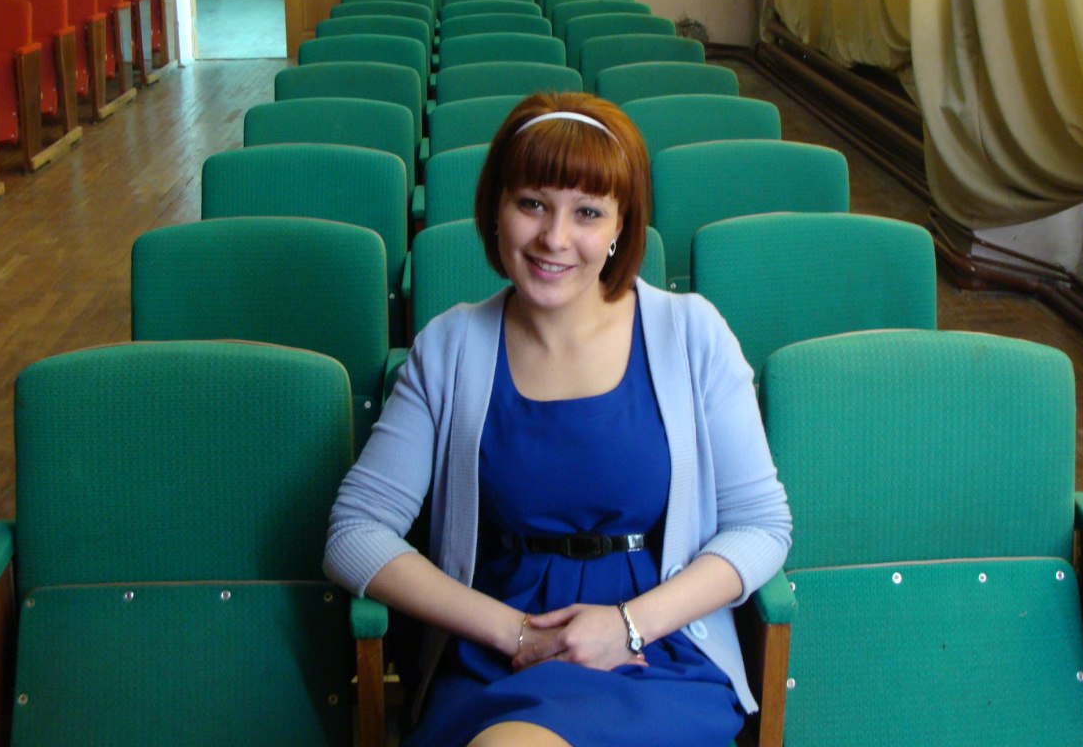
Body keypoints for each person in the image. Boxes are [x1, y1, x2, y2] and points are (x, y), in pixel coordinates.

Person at [324, 92, 791, 747]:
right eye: (532, 204)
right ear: (495, 210)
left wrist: (628, 625)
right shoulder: (450, 346)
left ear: (622, 226)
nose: (554, 237)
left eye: (588, 212)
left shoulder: (693, 335)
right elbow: (354, 533)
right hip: (498, 654)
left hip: (661, 647)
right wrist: (514, 633)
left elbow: (762, 526)